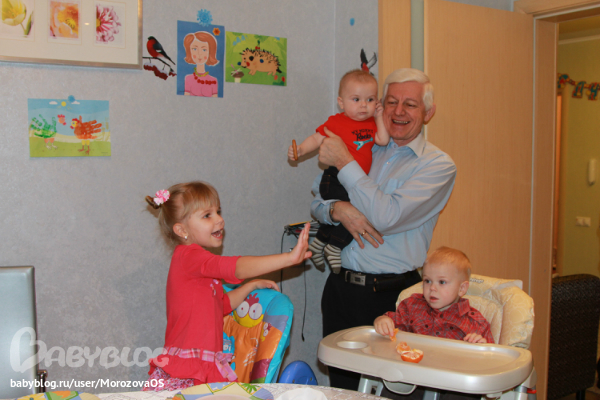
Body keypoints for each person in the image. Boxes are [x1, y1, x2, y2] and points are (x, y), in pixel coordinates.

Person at [311, 68, 457, 390]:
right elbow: (318, 201)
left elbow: (387, 217)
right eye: (391, 102)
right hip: (339, 290)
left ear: (428, 112)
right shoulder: (365, 145)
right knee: (342, 391)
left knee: (392, 391)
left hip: (394, 301)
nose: (398, 111)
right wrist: (338, 209)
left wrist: (345, 162)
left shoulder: (438, 166)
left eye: (410, 104)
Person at [143, 182, 311, 390]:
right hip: (189, 369)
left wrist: (250, 286)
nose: (219, 219)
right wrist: (288, 258)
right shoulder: (189, 257)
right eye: (207, 215)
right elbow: (235, 268)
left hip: (202, 365)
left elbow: (220, 305)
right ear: (181, 230)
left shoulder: (198, 267)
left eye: (218, 211)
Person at [288, 69, 389, 272]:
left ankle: (319, 244)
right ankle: (334, 246)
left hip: (354, 181)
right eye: (356, 99)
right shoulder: (336, 121)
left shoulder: (371, 124)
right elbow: (317, 138)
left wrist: (379, 117)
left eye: (370, 100)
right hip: (335, 177)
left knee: (348, 209)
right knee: (355, 210)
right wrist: (301, 149)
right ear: (341, 102)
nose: (364, 105)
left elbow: (383, 140)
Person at [374, 246, 494, 344]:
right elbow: (391, 324)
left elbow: (493, 358)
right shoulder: (412, 307)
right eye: (427, 281)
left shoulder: (475, 323)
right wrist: (382, 321)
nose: (432, 288)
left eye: (442, 282)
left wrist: (481, 347)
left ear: (462, 288)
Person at [183, 31, 219, 97]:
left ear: (210, 52)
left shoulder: (213, 81)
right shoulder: (188, 79)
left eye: (204, 50)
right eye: (194, 49)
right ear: (189, 51)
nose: (199, 54)